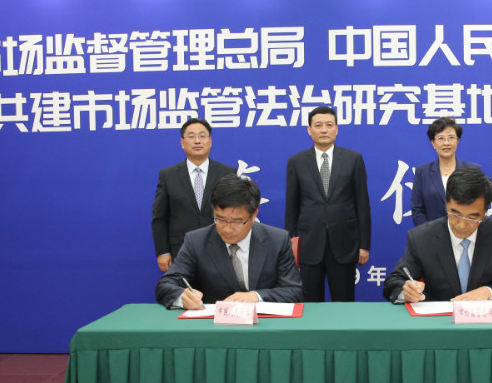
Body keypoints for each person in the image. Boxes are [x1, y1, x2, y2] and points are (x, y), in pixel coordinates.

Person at [156, 175, 302, 309]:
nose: (227, 229)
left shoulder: (277, 240)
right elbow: (165, 285)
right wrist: (182, 297)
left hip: (265, 323)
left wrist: (256, 296)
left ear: (253, 215)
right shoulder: (196, 241)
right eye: (220, 219)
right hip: (214, 324)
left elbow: (293, 291)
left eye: (236, 221)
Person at [383, 166, 492, 303]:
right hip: (438, 318)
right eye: (455, 214)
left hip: (484, 318)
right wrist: (407, 291)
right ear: (446, 204)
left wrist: (489, 292)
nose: (461, 225)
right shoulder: (422, 237)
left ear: (485, 211)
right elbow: (394, 282)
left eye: (472, 218)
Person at [285, 105, 371, 302]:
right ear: (309, 130)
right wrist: (292, 245)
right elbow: (292, 207)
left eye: (329, 125)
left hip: (344, 243)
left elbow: (362, 204)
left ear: (336, 129)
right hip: (308, 244)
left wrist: (364, 245)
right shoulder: (296, 161)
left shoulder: (353, 159)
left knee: (344, 303)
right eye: (318, 125)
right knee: (310, 304)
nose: (324, 130)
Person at [151, 118, 237, 273]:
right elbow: (160, 218)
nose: (197, 141)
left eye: (202, 136)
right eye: (191, 136)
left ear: (210, 141)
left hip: (220, 247)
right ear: (182, 143)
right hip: (181, 250)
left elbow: (235, 213)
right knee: (186, 288)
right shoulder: (168, 175)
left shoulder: (227, 173)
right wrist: (163, 252)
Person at [410, 116, 478, 226]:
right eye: (441, 138)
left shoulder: (472, 170)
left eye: (451, 137)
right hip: (431, 234)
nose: (446, 143)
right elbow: (417, 210)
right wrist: (429, 233)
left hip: (465, 231)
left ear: (457, 141)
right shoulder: (422, 172)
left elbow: (479, 207)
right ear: (433, 143)